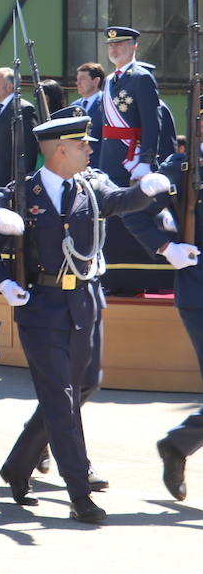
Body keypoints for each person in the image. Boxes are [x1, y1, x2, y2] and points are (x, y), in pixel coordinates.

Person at [0, 109, 168, 523]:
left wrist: (145, 190)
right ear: (59, 150)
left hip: (82, 303)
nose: (89, 149)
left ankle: (17, 465)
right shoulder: (22, 194)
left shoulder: (91, 184)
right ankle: (78, 491)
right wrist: (3, 284)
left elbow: (117, 201)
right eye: (82, 145)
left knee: (83, 385)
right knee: (61, 401)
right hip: (40, 307)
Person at [124, 106, 203, 501]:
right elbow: (135, 214)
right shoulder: (182, 167)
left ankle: (178, 444)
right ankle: (177, 445)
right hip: (199, 291)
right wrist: (166, 246)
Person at [99, 27, 161, 186]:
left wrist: (146, 161)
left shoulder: (142, 77)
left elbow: (151, 123)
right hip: (109, 159)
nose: (113, 49)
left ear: (134, 46)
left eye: (119, 44)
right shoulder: (108, 80)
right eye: (110, 45)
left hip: (133, 159)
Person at [0, 67, 37, 186]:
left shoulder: (23, 109)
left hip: (10, 182)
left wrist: (21, 183)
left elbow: (28, 150)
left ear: (10, 86)